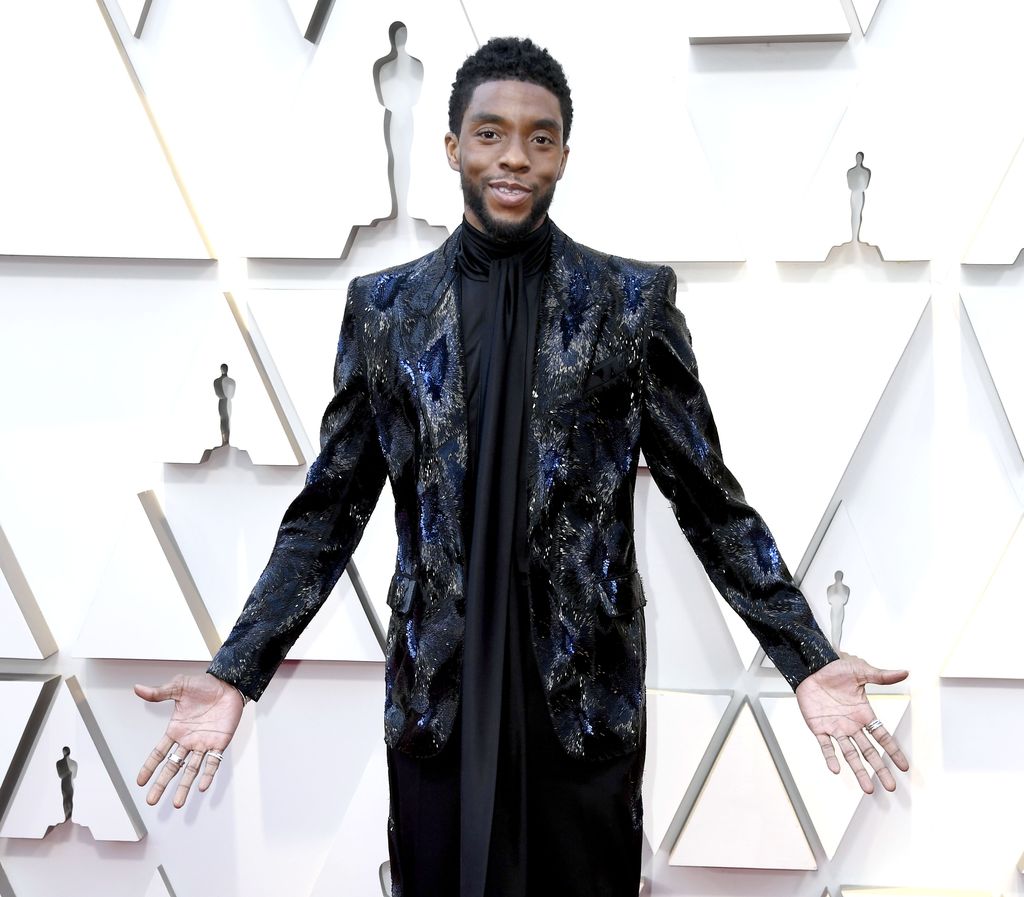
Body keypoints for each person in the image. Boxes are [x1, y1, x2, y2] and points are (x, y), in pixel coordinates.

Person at [134, 36, 910, 897]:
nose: (514, 156)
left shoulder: (630, 304)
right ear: (453, 146)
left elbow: (710, 501)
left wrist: (804, 655)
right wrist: (235, 668)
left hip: (580, 709)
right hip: (440, 705)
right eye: (492, 133)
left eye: (540, 138)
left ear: (565, 156)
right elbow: (326, 515)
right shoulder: (386, 312)